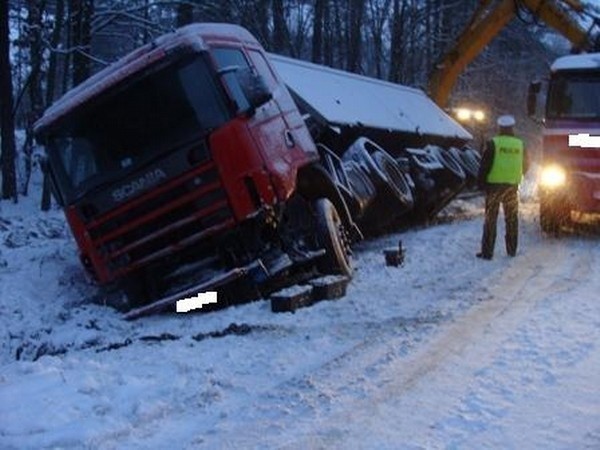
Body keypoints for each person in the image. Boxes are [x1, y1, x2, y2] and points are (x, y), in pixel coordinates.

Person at [476, 114, 528, 260]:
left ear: (499, 128)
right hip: (511, 187)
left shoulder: (493, 143)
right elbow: (526, 165)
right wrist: (517, 174)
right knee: (511, 219)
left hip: (493, 188)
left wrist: (481, 183)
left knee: (490, 220)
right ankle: (511, 250)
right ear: (512, 128)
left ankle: (487, 253)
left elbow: (484, 165)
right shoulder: (520, 144)